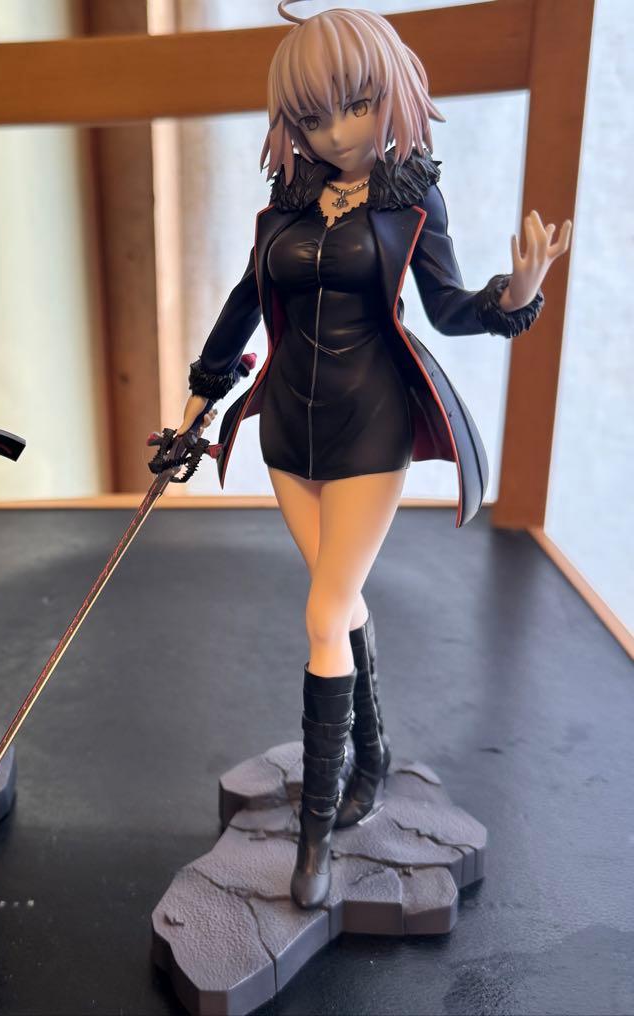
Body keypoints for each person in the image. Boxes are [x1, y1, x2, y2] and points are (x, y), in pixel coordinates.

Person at [175, 2, 571, 909]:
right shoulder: (285, 203)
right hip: (287, 431)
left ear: (389, 95)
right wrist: (199, 400)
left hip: (371, 429)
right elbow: (243, 303)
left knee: (323, 613)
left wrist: (515, 292)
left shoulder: (409, 198)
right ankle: (375, 754)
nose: (336, 131)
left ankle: (315, 837)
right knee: (340, 600)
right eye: (312, 115)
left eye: (354, 105)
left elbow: (450, 310)